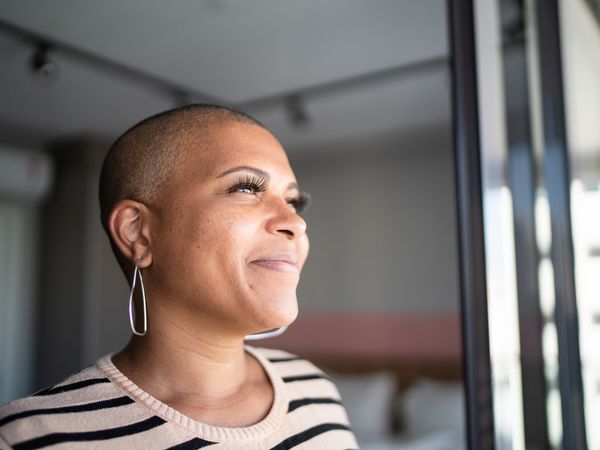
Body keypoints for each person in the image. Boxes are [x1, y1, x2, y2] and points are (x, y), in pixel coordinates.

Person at [0, 104, 358, 449]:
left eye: (294, 202)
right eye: (246, 188)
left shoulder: (314, 388)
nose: (296, 222)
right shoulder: (29, 437)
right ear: (137, 233)